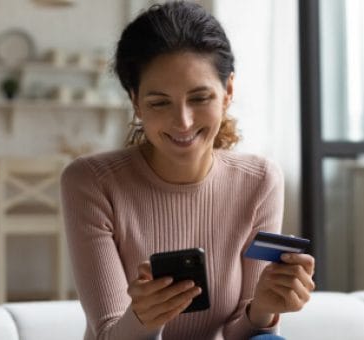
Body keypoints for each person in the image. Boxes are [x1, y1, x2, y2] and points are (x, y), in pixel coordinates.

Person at [60, 2, 315, 339]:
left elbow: (246, 333)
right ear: (135, 102)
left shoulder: (260, 180)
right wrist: (143, 317)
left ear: (228, 92)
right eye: (159, 102)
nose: (183, 122)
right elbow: (108, 333)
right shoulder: (92, 182)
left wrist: (264, 307)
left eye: (199, 98)